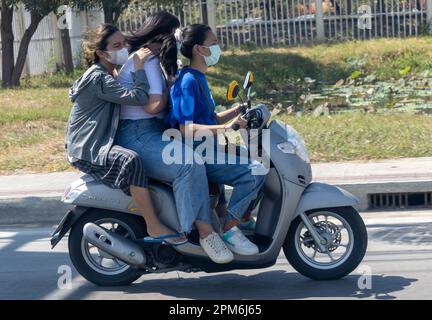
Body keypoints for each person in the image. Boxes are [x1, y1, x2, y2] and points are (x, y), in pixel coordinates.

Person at [115, 12, 234, 264]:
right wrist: (172, 86)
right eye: (176, 33)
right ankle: (204, 233)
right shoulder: (146, 60)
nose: (179, 40)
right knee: (188, 164)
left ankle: (224, 219)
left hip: (153, 130)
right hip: (137, 132)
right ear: (164, 34)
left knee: (210, 154)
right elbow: (154, 107)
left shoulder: (158, 59)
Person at [66, 23, 186, 245]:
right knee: (130, 161)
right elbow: (140, 97)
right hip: (89, 149)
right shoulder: (98, 78)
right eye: (117, 45)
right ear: (101, 52)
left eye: (124, 43)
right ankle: (154, 224)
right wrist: (139, 66)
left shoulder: (109, 72)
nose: (124, 48)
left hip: (100, 142)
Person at [167, 24, 267, 256]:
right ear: (199, 50)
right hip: (197, 152)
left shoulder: (198, 78)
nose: (218, 47)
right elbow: (186, 128)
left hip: (208, 148)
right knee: (255, 171)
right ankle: (230, 228)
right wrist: (227, 127)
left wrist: (237, 110)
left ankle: (241, 216)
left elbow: (209, 118)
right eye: (214, 43)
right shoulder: (187, 81)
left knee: (262, 158)